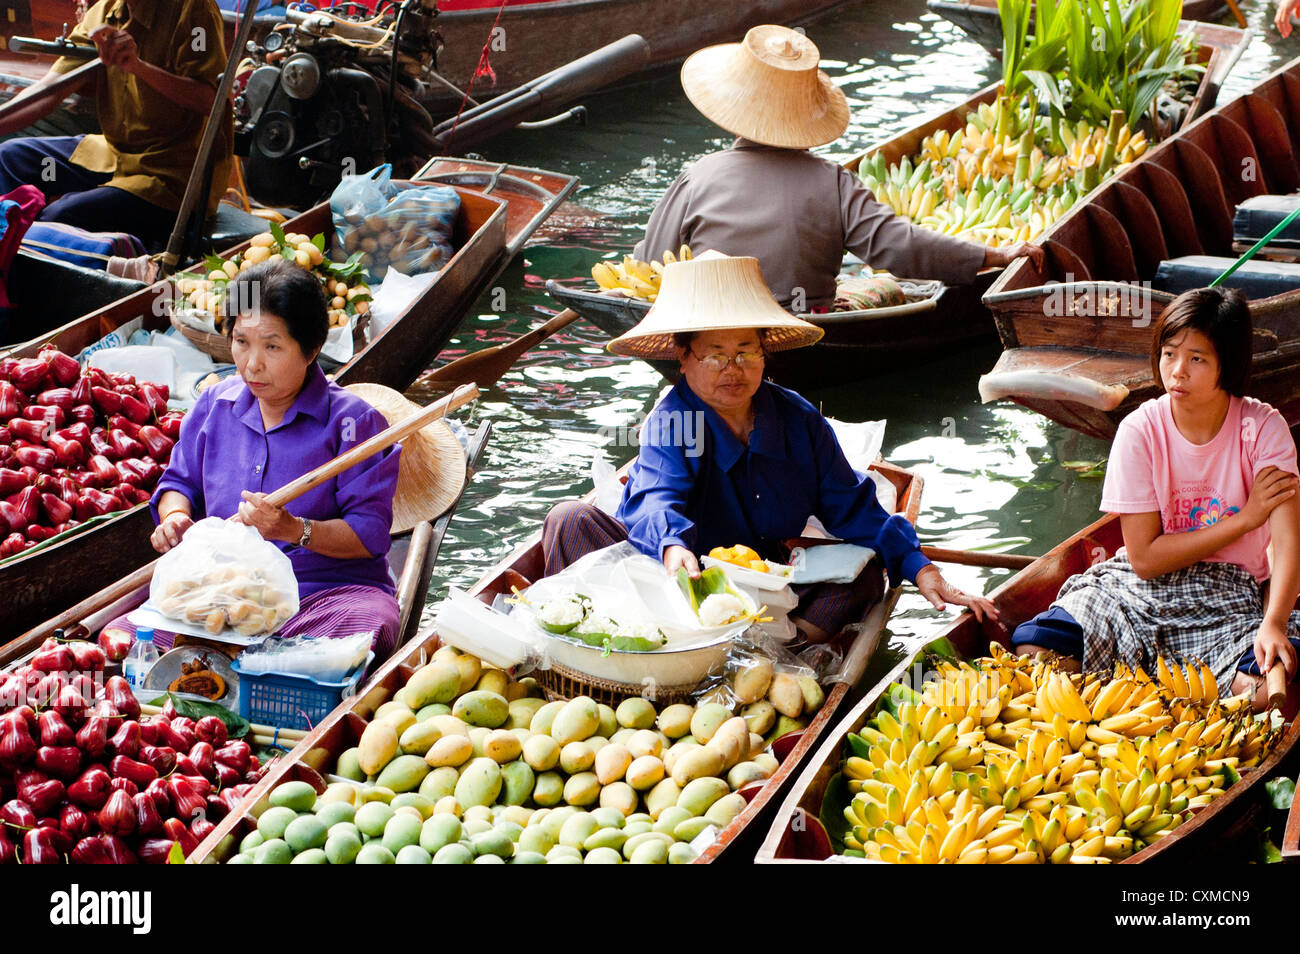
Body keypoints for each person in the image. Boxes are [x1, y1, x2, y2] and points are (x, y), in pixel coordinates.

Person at [543, 253, 998, 642]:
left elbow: (852, 506)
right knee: (568, 520)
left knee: (865, 573)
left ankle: (784, 654)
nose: (733, 368)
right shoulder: (674, 420)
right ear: (683, 357)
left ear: (765, 351)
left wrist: (921, 568)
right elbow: (656, 497)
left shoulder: (797, 419)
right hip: (671, 580)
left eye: (746, 350)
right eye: (714, 353)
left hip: (763, 584)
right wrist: (671, 548)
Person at [1011, 287, 1300, 709]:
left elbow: (1290, 544)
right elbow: (1144, 558)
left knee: (1258, 692)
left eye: (1197, 358)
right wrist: (1245, 518)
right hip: (1138, 587)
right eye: (1169, 353)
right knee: (1037, 652)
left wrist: (1272, 623)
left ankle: (1138, 689)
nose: (1177, 371)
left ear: (1228, 364)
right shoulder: (1139, 429)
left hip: (1228, 596)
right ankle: (1154, 695)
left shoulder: (1262, 429)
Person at [102, 260, 405, 659]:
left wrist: (294, 529)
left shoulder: (354, 423)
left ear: (312, 348)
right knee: (121, 637)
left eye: (272, 346)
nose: (251, 364)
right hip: (226, 590)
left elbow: (369, 536)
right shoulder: (214, 404)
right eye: (241, 341)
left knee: (367, 629)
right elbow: (178, 485)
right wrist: (176, 519)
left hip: (324, 592)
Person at [633, 24, 1045, 311]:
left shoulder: (697, 176)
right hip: (805, 322)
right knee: (879, 284)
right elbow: (899, 247)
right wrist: (993, 253)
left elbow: (650, 263)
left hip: (714, 324)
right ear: (807, 118)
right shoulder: (833, 182)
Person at [0, 0, 232, 249]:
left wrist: (138, 67)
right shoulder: (103, 12)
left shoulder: (194, 11)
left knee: (59, 217)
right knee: (10, 158)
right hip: (113, 155)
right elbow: (49, 91)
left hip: (172, 175)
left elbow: (210, 99)